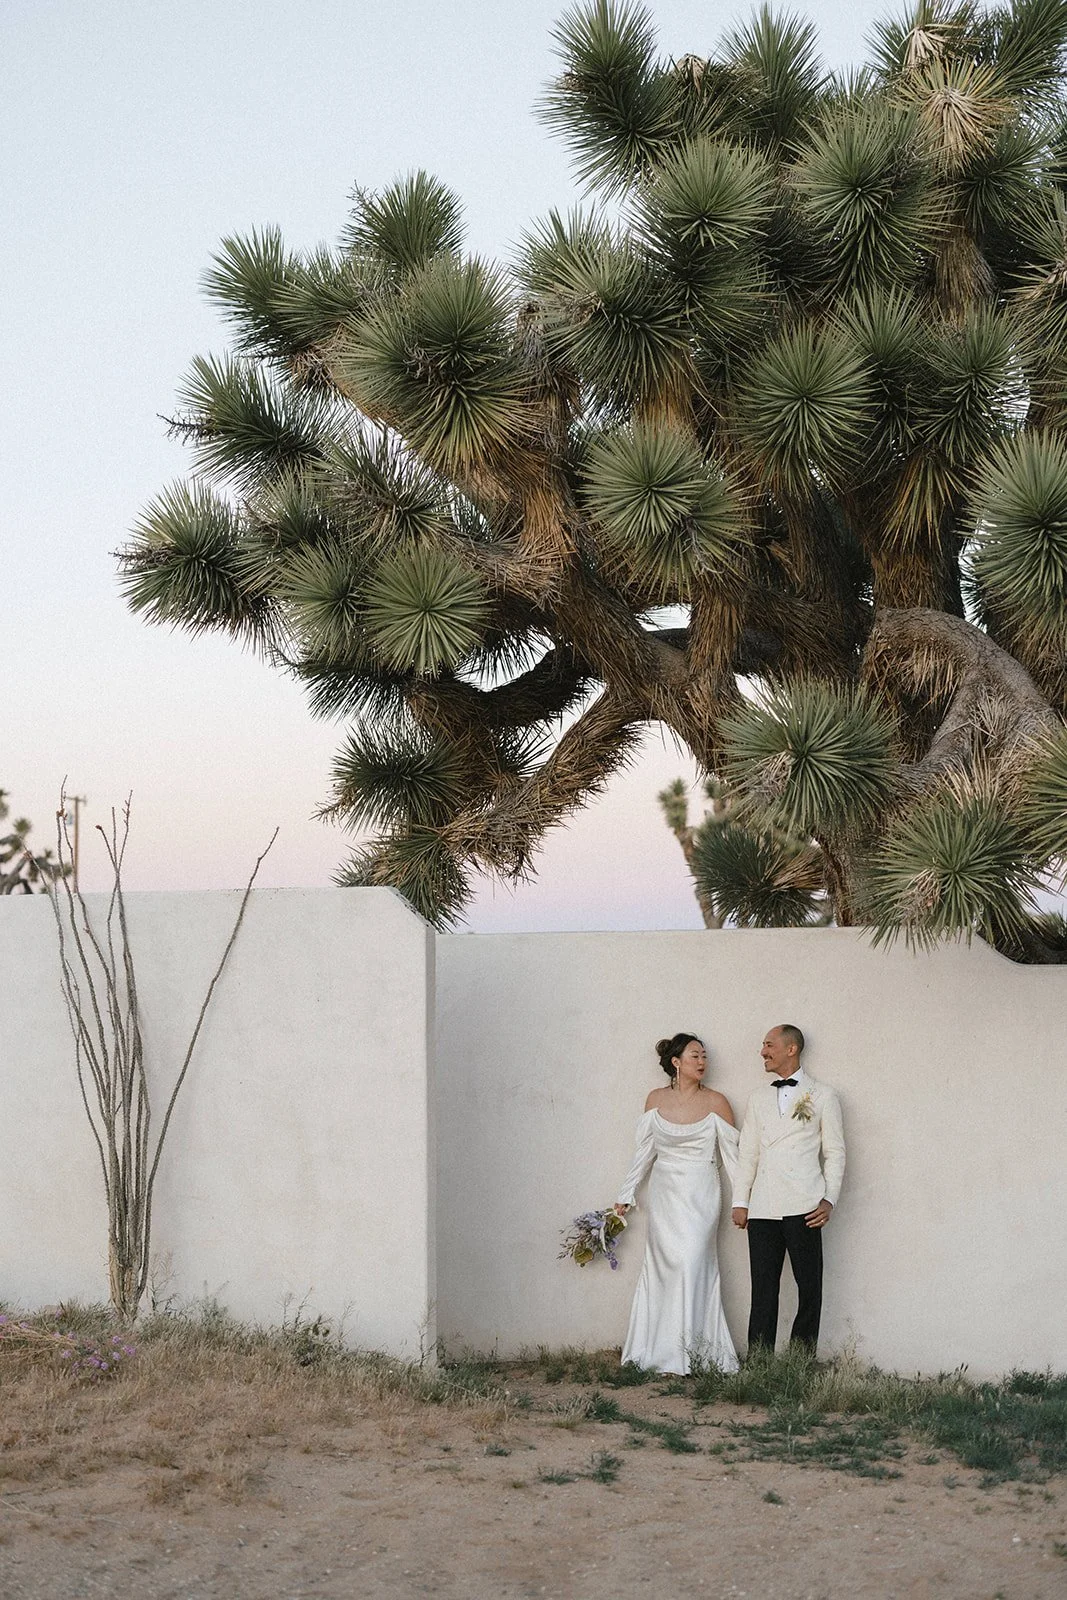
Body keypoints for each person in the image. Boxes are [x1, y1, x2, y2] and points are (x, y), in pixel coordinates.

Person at [614, 1033, 740, 1375]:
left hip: (701, 1192)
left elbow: (733, 1159)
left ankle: (697, 1353)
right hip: (664, 1193)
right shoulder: (655, 1100)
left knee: (692, 1261)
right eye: (695, 1056)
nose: (702, 1062)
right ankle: (659, 1352)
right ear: (676, 1062)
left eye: (705, 1056)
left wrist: (743, 1201)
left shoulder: (717, 1102)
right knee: (663, 1268)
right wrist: (626, 1194)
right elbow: (644, 1154)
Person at [731, 1024, 845, 1355]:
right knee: (763, 1290)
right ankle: (759, 1362)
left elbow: (835, 1152)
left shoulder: (822, 1095)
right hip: (763, 1206)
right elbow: (748, 1153)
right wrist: (741, 1201)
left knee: (809, 1288)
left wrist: (829, 1199)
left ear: (790, 1049)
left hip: (805, 1205)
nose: (763, 1052)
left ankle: (800, 1362)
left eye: (769, 1045)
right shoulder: (757, 1098)